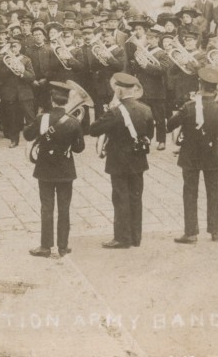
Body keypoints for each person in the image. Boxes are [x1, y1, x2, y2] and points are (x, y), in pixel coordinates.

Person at [88, 73, 153, 249]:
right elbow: (149, 134)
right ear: (134, 89)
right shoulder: (145, 109)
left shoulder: (115, 112)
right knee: (136, 198)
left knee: (120, 199)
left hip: (118, 161)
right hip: (138, 160)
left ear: (118, 90)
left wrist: (109, 109)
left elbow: (93, 130)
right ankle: (135, 237)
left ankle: (122, 238)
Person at [168, 66, 218, 244]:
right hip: (212, 154)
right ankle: (215, 231)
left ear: (199, 85)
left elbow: (170, 125)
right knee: (213, 192)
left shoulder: (189, 106)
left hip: (190, 155)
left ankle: (191, 233)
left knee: (190, 192)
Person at [23, 82, 85, 257]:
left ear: (52, 100)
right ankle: (63, 247)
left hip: (45, 169)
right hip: (65, 170)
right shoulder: (73, 122)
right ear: (66, 101)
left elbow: (28, 135)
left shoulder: (42, 118)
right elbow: (79, 148)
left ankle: (45, 247)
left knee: (46, 207)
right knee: (64, 208)